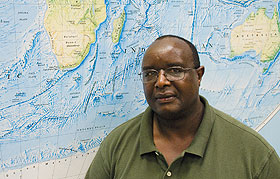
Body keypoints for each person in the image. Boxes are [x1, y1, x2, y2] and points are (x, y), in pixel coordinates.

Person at [85, 35, 280, 178]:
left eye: (175, 70)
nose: (160, 82)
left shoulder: (253, 154)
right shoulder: (117, 146)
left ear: (199, 75)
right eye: (150, 73)